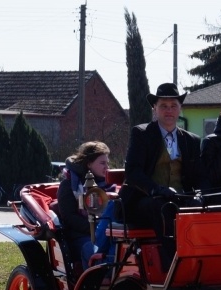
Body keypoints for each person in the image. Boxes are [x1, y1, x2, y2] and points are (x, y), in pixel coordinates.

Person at [120, 82, 204, 268]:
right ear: (155, 109)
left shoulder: (191, 140)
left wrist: (198, 194)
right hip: (145, 200)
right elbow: (133, 172)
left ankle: (203, 260)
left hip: (180, 197)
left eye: (173, 106)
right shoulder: (142, 134)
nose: (169, 110)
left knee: (202, 207)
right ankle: (174, 264)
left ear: (180, 109)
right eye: (163, 106)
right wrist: (156, 189)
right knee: (163, 207)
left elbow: (198, 176)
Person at [56, 141, 114, 269]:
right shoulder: (69, 186)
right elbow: (69, 218)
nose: (107, 167)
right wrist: (98, 229)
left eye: (107, 163)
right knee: (93, 250)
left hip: (110, 234)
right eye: (102, 163)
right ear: (89, 164)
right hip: (81, 236)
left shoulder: (111, 186)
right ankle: (95, 285)